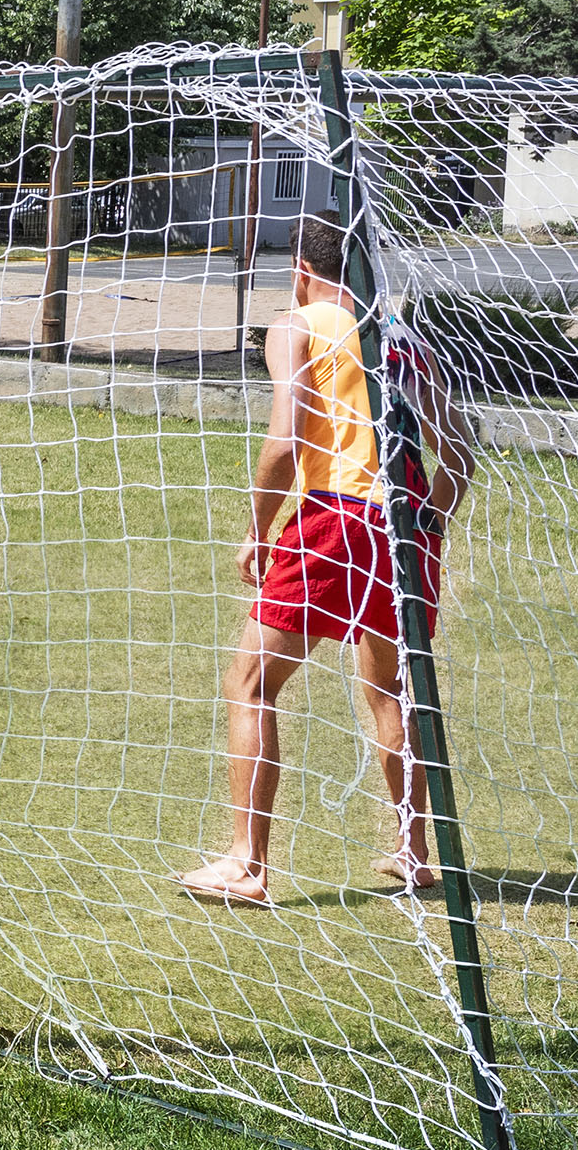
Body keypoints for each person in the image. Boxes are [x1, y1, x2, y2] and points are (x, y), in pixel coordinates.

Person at [182, 215, 471, 907]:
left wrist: (258, 531)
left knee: (250, 684)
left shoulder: (296, 325)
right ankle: (413, 851)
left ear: (301, 270)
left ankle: (247, 865)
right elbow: (459, 451)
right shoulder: (401, 337)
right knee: (390, 691)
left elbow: (285, 442)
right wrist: (427, 522)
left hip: (334, 521)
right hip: (404, 526)